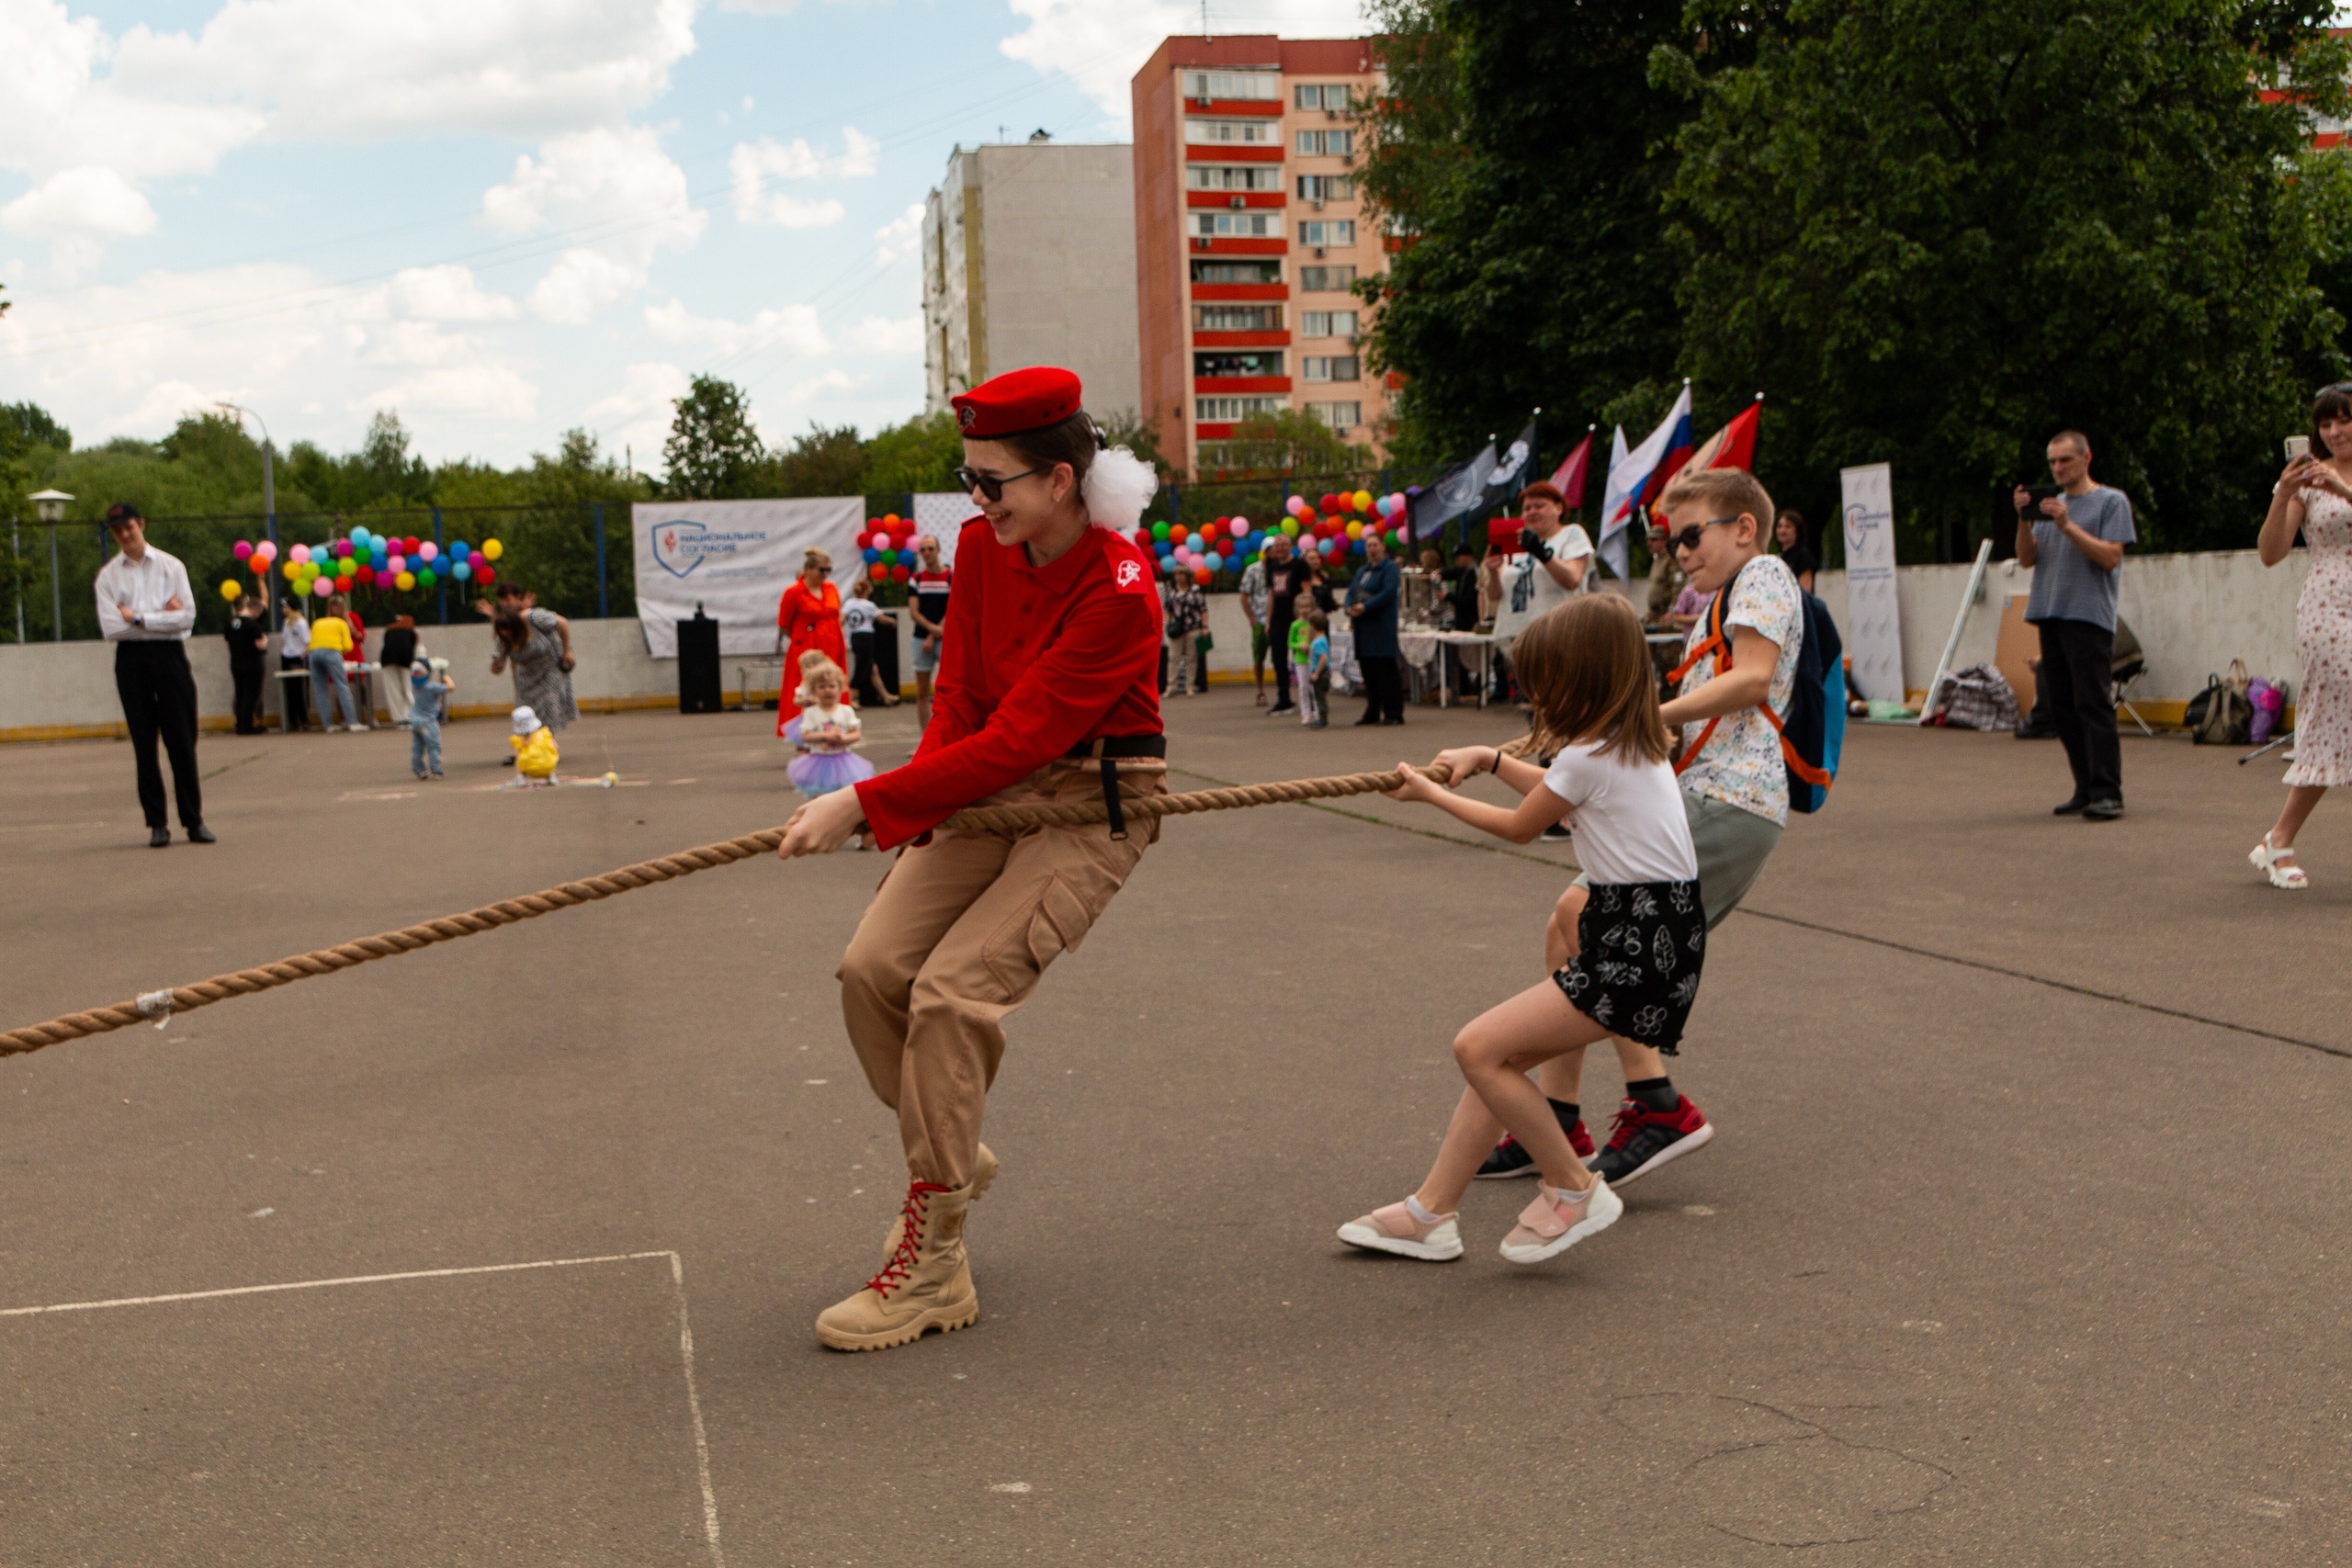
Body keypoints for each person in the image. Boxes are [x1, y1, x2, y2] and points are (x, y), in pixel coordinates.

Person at [774, 365, 1165, 1353]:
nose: (975, 498)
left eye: (992, 480)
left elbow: (1029, 737)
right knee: (871, 970)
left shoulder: (1121, 589)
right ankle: (949, 1144)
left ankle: (936, 1265)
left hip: (1087, 802)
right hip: (985, 787)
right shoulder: (982, 550)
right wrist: (912, 812)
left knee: (950, 994)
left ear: (1059, 484)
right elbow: (959, 699)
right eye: (969, 477)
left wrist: (863, 801)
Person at [1339, 594, 1700, 1264]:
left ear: (1580, 679)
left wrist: (1432, 793)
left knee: (1477, 1048)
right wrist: (1491, 758)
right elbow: (1556, 793)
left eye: (1544, 683)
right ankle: (1430, 1212)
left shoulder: (1588, 757)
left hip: (1631, 945)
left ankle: (1571, 1187)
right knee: (1501, 1060)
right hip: (1660, 941)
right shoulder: (1630, 744)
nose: (1534, 697)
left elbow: (1523, 824)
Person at [1468, 468, 1796, 1189]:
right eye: (1666, 541)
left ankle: (1657, 1105)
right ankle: (1558, 1118)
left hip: (1732, 797)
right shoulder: (1719, 602)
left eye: (1689, 534)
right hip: (1700, 792)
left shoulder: (1764, 572)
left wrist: (1644, 718)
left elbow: (1753, 679)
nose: (1679, 552)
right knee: (1568, 926)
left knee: (1601, 928)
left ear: (1744, 528)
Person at [2250, 387, 2352, 888]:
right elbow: (2271, 553)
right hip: (2329, 608)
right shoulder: (2309, 484)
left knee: (2336, 721)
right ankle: (2279, 839)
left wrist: (2346, 490)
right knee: (2334, 712)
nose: (2335, 432)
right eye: (2326, 424)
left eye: (2345, 421)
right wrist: (2284, 494)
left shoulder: (2335, 480)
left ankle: (2278, 839)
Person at [2015, 430, 2134, 821]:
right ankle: (2084, 788)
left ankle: (2107, 791)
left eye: (2065, 460)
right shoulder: (2050, 507)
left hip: (2088, 616)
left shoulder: (2111, 502)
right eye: (2052, 461)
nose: (2058, 468)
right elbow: (2028, 559)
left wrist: (2067, 526)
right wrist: (2023, 521)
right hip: (2050, 611)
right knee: (2061, 706)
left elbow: (2111, 558)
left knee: (2092, 703)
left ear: (2086, 458)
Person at [95, 502, 211, 847]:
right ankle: (157, 823)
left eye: (129, 527)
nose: (125, 535)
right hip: (131, 661)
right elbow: (112, 628)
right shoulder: (108, 577)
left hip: (170, 658)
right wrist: (162, 615)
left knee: (182, 742)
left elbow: (187, 618)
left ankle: (194, 821)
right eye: (117, 531)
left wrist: (139, 618)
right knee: (144, 744)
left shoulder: (171, 566)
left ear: (141, 524)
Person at [784, 650, 878, 850]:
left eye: (832, 686)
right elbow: (806, 736)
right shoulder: (811, 713)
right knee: (817, 801)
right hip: (819, 761)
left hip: (844, 761)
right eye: (822, 687)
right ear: (814, 690)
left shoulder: (845, 711)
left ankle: (862, 835)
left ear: (840, 687)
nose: (827, 690)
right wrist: (825, 736)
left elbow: (856, 734)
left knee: (850, 801)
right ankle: (812, 833)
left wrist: (843, 739)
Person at [491, 595, 579, 753]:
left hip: (550, 668)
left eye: (509, 631)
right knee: (524, 712)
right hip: (526, 674)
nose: (507, 635)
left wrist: (567, 651)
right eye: (503, 633)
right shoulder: (504, 639)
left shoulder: (534, 617)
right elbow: (498, 662)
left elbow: (563, 623)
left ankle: (546, 747)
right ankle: (523, 748)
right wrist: (496, 667)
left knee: (548, 706)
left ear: (517, 624)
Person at [775, 547, 847, 729]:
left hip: (833, 646)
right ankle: (803, 735)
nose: (825, 574)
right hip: (807, 650)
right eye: (821, 570)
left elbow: (836, 614)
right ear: (808, 569)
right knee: (807, 692)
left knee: (832, 686)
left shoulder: (831, 588)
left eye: (828, 570)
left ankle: (835, 729)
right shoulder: (794, 592)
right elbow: (784, 624)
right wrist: (804, 639)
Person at [1348, 531, 1404, 725]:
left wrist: (1365, 606)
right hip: (1363, 628)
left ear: (1383, 547)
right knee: (1368, 673)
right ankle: (1372, 711)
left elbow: (1388, 593)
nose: (1372, 549)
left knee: (1386, 672)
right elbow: (1351, 591)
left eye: (1375, 545)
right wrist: (1350, 606)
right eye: (1369, 546)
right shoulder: (1362, 571)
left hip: (1381, 626)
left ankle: (1393, 713)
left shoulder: (1390, 568)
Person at [1261, 532, 1312, 715]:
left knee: (1302, 659)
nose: (1280, 548)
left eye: (1283, 545)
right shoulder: (1273, 568)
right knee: (1278, 659)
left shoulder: (1300, 565)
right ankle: (1284, 699)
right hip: (1278, 621)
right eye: (1277, 545)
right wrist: (1268, 620)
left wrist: (1305, 618)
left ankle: (1309, 698)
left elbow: (1307, 591)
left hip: (1297, 620)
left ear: (1290, 546)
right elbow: (1272, 595)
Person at [910, 536, 953, 730]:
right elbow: (914, 612)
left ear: (938, 550)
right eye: (923, 549)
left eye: (930, 548)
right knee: (922, 692)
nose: (926, 552)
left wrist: (935, 633)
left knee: (949, 689)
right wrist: (931, 631)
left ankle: (949, 735)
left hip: (946, 638)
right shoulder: (916, 579)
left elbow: (953, 607)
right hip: (920, 639)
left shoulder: (951, 576)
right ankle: (924, 740)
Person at [307, 593, 363, 732]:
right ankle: (353, 722)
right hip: (331, 652)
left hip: (313, 653)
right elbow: (348, 645)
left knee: (320, 690)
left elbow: (311, 640)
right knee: (342, 687)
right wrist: (341, 652)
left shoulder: (318, 622)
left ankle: (328, 725)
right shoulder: (342, 622)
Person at [842, 575, 900, 707]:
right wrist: (891, 621)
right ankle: (849, 698)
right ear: (867, 590)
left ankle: (886, 696)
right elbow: (880, 618)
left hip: (855, 637)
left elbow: (842, 619)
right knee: (861, 669)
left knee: (872, 669)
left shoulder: (849, 603)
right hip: (866, 638)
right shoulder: (869, 605)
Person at [224, 592, 269, 735]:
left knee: (240, 693)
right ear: (255, 609)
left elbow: (227, 644)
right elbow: (260, 645)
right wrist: (265, 640)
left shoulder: (231, 623)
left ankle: (239, 725)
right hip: (252, 662)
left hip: (236, 662)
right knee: (251, 694)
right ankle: (247, 726)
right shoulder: (253, 624)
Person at [1160, 568, 1206, 696]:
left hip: (1193, 627)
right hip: (1176, 629)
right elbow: (1167, 609)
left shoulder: (1196, 590)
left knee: (1192, 658)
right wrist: (1169, 623)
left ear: (1187, 576)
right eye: (1176, 574)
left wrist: (1204, 627)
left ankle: (1190, 686)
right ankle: (1171, 687)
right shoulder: (1172, 591)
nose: (1178, 577)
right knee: (1173, 658)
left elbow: (1203, 609)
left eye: (1181, 574)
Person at [1238, 547, 1272, 705]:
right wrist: (1252, 619)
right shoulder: (1253, 570)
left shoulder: (1281, 569)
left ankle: (1284, 694)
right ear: (1265, 552)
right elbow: (1244, 595)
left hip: (1278, 620)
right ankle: (1260, 691)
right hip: (1259, 619)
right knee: (1259, 657)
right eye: (1271, 551)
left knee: (1281, 657)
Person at [409, 659, 452, 780]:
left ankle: (419, 769)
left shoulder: (415, 686)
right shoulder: (432, 687)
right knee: (433, 747)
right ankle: (436, 770)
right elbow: (451, 688)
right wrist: (446, 678)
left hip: (415, 721)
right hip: (428, 722)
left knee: (417, 748)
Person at [379, 615, 419, 727]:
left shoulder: (390, 630)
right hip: (406, 658)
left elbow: (386, 643)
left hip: (387, 659)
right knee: (407, 688)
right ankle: (413, 716)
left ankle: (398, 719)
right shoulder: (411, 632)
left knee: (393, 689)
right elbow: (412, 646)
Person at [277, 596, 311, 733]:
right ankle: (292, 720)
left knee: (300, 691)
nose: (282, 610)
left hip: (298, 657)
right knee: (289, 691)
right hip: (287, 656)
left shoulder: (302, 623)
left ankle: (304, 719)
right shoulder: (286, 623)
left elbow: (308, 641)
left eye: (285, 607)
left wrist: (302, 655)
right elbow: (285, 639)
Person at [1288, 589, 1320, 727]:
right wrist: (1299, 645)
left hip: (1313, 659)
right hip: (1301, 660)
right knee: (1303, 687)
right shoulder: (1295, 625)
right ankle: (1305, 714)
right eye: (1302, 607)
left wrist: (1313, 646)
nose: (1305, 610)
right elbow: (1290, 642)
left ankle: (1319, 713)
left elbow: (1320, 639)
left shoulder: (1315, 623)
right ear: (1297, 609)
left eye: (1308, 606)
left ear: (1313, 607)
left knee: (1315, 688)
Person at [510, 705, 560, 783]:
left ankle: (521, 777)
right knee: (551, 752)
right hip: (548, 766)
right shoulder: (544, 734)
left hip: (529, 768)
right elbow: (556, 747)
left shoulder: (519, 740)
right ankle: (551, 775)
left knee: (518, 758)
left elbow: (516, 754)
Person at [1774, 510, 1819, 594]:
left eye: (1788, 526)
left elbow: (1806, 592)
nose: (1782, 530)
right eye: (1779, 526)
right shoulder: (1778, 557)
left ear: (1797, 531)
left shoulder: (1804, 557)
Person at [1305, 608, 1332, 729]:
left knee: (1319, 697)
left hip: (1321, 673)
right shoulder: (1322, 639)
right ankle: (1321, 718)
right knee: (1318, 696)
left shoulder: (1318, 642)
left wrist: (1316, 673)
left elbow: (1323, 659)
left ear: (1312, 626)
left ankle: (1322, 719)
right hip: (1322, 672)